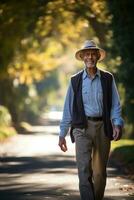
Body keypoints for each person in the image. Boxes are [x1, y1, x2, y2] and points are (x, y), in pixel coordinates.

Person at [58, 40, 124, 200]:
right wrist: (62, 133)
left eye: (93, 54)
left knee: (100, 173)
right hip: (81, 128)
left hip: (103, 127)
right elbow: (68, 108)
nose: (90, 57)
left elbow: (115, 104)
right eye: (86, 54)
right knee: (84, 170)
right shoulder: (75, 80)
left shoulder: (108, 79)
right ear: (82, 58)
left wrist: (117, 123)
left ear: (97, 57)